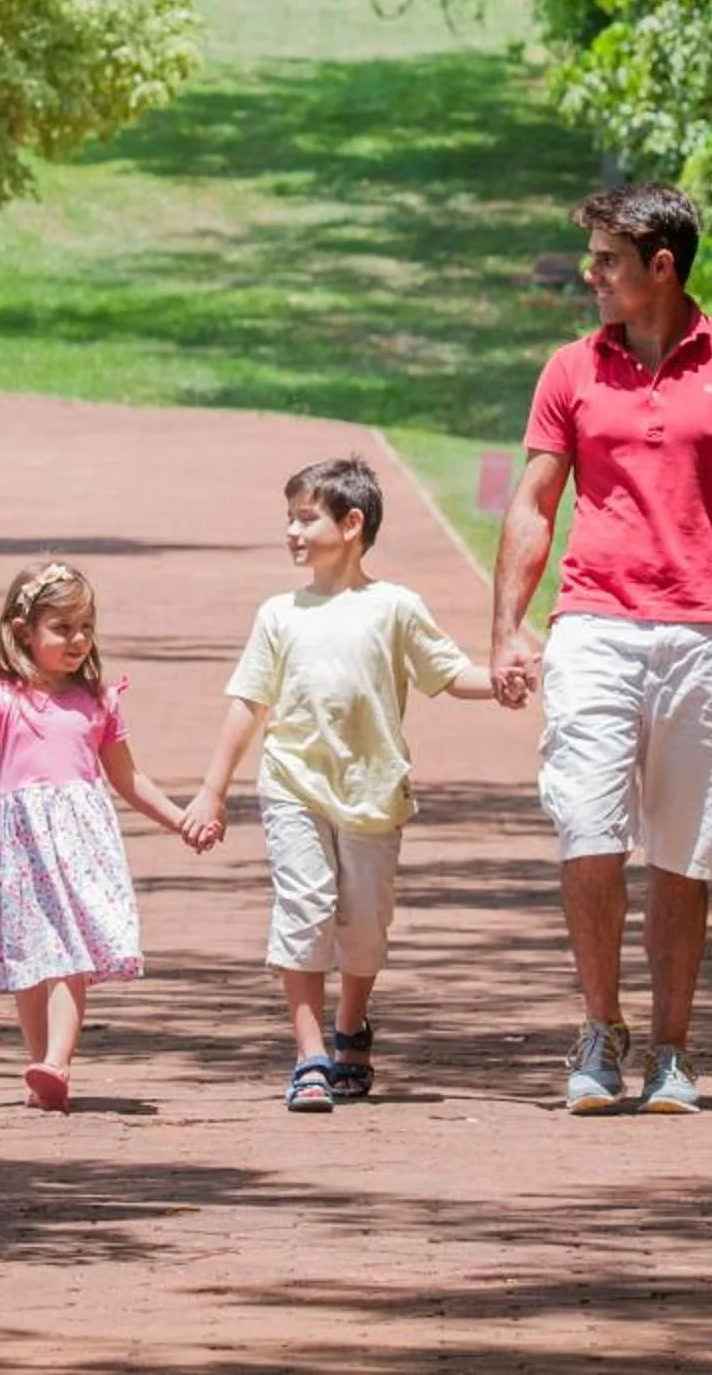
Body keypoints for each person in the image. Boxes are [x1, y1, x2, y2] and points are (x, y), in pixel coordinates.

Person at [491, 183, 712, 1115]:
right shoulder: (571, 369)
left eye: (606, 263)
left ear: (661, 268)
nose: (590, 278)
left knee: (686, 848)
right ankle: (602, 1030)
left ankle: (672, 1050)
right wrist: (509, 625)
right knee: (587, 825)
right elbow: (533, 503)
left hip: (708, 628)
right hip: (594, 622)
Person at [183, 457, 514, 1111]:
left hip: (373, 792)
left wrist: (500, 682)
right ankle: (309, 1056)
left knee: (364, 928)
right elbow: (249, 702)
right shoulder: (280, 614)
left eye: (306, 518)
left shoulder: (395, 607)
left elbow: (446, 674)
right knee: (303, 911)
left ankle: (350, 1026)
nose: (292, 531)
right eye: (290, 519)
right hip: (293, 783)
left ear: (352, 523)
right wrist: (211, 790)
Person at [0, 559, 197, 1111]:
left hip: (79, 843)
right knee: (28, 955)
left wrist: (181, 819)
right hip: (21, 847)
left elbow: (127, 777)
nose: (78, 641)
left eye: (85, 628)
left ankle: (58, 1061)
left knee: (69, 949)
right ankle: (41, 1066)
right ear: (24, 630)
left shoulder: (97, 700)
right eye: (63, 629)